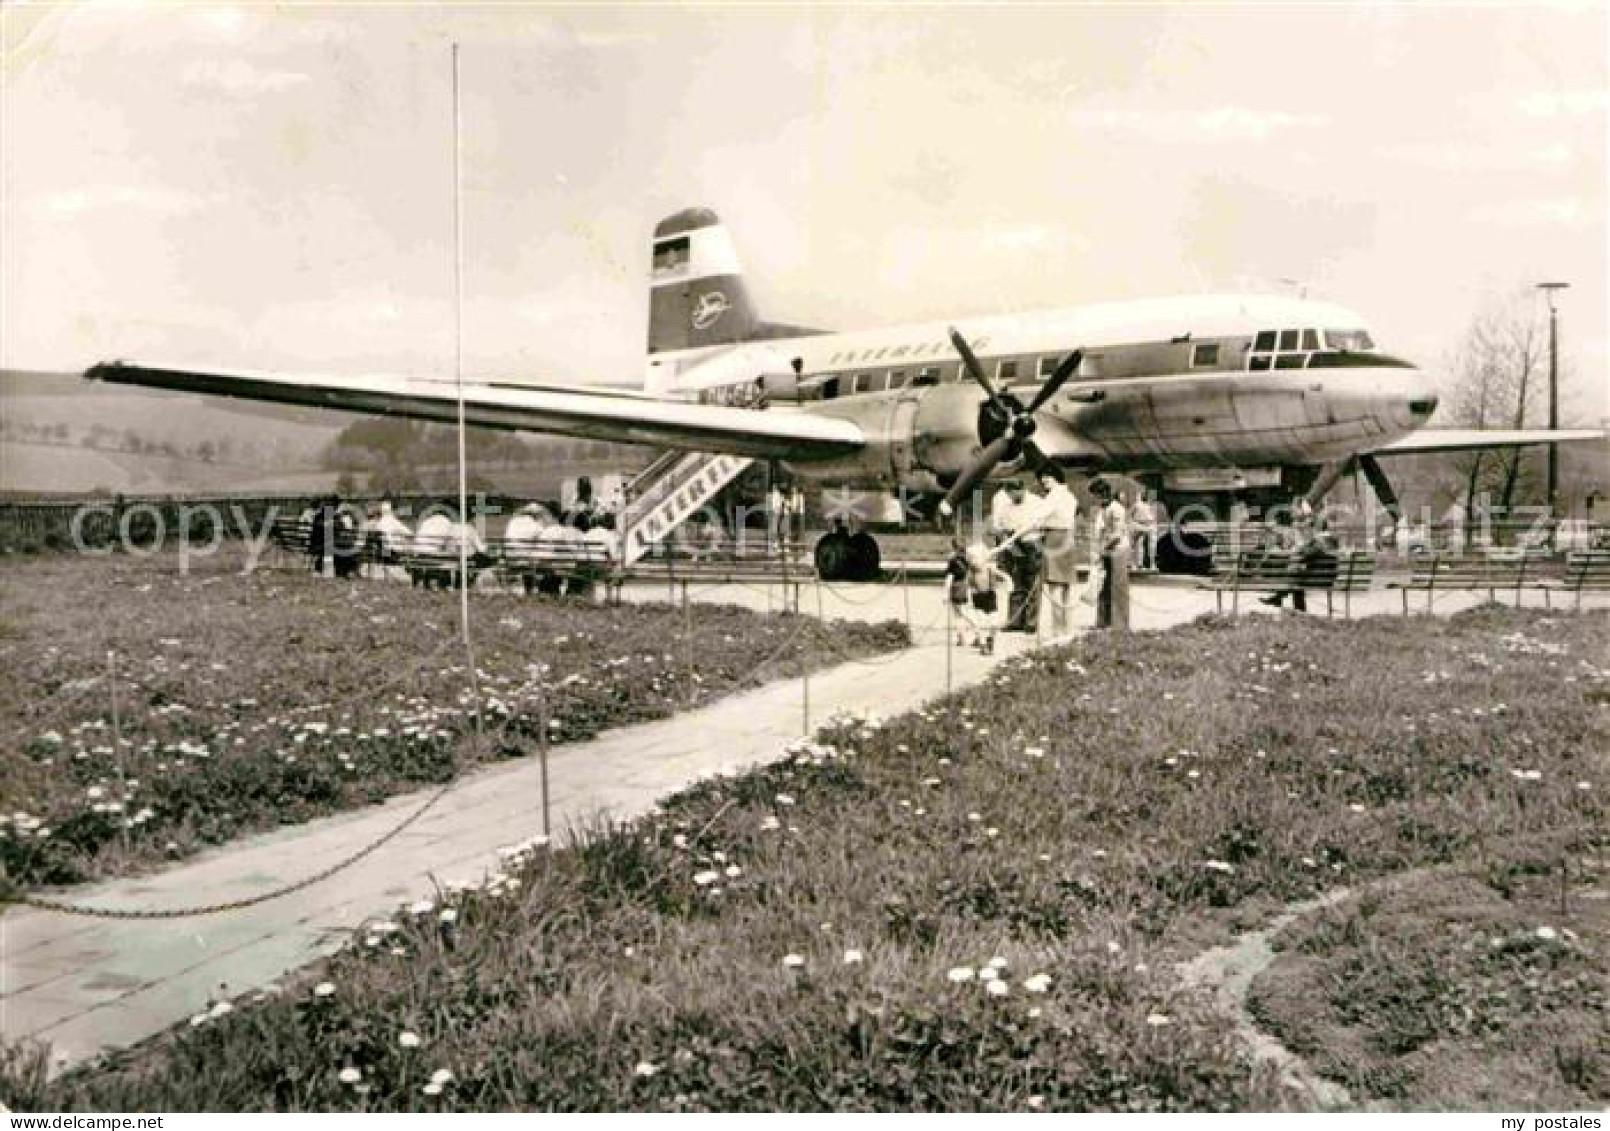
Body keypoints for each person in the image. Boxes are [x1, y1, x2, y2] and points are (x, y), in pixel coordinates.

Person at [995, 479, 1047, 633]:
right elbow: (999, 526)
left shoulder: (1037, 502)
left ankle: (1031, 622)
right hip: (1013, 544)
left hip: (1032, 542)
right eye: (1010, 494)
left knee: (1032, 583)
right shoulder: (1005, 506)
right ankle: (1015, 620)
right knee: (1015, 582)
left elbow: (1041, 524)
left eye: (1015, 493)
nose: (1012, 497)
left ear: (1023, 489)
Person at [1037, 467, 1080, 640]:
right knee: (1067, 587)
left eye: (1047, 477)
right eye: (1042, 478)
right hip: (1068, 538)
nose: (1043, 481)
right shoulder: (1070, 496)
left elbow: (1039, 515)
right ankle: (1068, 630)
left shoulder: (1054, 495)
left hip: (1055, 537)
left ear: (1055, 477)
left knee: (1055, 586)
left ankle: (1058, 631)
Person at [1089, 478, 1130, 630]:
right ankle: (1103, 621)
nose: (1094, 499)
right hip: (1107, 550)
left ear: (1102, 494)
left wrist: (1101, 549)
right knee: (1104, 587)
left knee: (1117, 587)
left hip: (1118, 550)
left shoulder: (1116, 508)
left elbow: (1117, 535)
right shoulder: (1103, 510)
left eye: (1095, 495)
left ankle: (1119, 624)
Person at [1130, 489, 1161, 572]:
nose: (1153, 496)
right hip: (1139, 524)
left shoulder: (1155, 505)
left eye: (1154, 494)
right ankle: (1137, 564)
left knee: (1152, 545)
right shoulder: (1137, 504)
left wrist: (1154, 524)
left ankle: (1152, 564)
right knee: (1138, 545)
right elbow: (1130, 515)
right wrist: (1134, 524)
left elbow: (1155, 516)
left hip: (1150, 524)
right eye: (1151, 494)